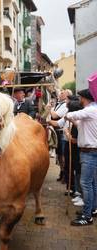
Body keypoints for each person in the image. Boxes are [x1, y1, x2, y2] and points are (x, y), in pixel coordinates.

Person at [65, 89, 97, 226]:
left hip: (89, 152)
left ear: (85, 99)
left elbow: (73, 114)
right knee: (92, 184)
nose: (79, 100)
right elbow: (83, 125)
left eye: (80, 98)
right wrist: (74, 121)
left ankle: (87, 215)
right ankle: (92, 209)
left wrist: (68, 115)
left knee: (85, 184)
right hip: (90, 151)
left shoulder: (90, 110)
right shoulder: (92, 111)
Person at [47, 89, 72, 182]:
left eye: (62, 93)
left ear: (67, 96)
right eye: (60, 93)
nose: (60, 94)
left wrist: (50, 109)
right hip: (57, 130)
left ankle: (65, 174)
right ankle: (62, 171)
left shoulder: (66, 105)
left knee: (63, 155)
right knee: (59, 155)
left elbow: (54, 116)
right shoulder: (59, 103)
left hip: (61, 132)